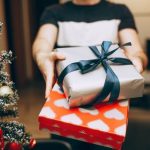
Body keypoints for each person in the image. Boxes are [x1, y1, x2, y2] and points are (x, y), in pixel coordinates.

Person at [32, 0, 148, 149]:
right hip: (66, 105)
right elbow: (43, 41)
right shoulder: (54, 11)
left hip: (109, 109)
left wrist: (137, 59)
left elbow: (136, 50)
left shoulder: (119, 11)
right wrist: (42, 55)